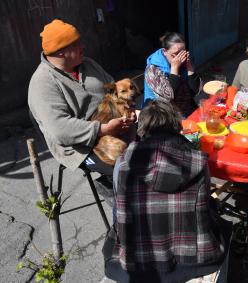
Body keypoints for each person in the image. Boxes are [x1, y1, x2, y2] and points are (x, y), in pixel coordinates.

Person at [106, 100, 230, 282]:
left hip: (137, 262)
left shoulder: (124, 162)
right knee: (221, 224)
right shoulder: (197, 161)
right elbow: (203, 204)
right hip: (194, 258)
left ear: (142, 128)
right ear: (176, 126)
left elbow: (120, 209)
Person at [28, 19, 136, 176]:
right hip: (81, 146)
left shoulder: (89, 64)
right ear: (60, 51)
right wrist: (103, 129)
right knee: (126, 169)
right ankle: (120, 196)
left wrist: (128, 109)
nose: (83, 46)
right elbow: (60, 128)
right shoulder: (43, 82)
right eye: (76, 43)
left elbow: (115, 89)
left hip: (116, 126)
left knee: (155, 144)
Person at [143, 32, 201, 117]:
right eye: (176, 54)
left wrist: (189, 66)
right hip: (161, 113)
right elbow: (167, 97)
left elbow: (195, 90)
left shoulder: (184, 62)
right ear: (165, 51)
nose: (180, 57)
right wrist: (174, 69)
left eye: (183, 52)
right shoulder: (153, 69)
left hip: (184, 108)